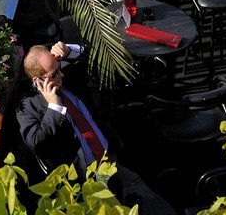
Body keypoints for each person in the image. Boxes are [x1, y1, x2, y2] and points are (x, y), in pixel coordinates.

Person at [17, 45, 174, 215]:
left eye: (59, 67)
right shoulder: (28, 106)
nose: (61, 74)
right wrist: (54, 107)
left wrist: (68, 50)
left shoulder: (66, 79)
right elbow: (36, 142)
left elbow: (89, 58)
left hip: (109, 160)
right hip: (88, 178)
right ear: (37, 80)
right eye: (53, 75)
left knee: (152, 200)